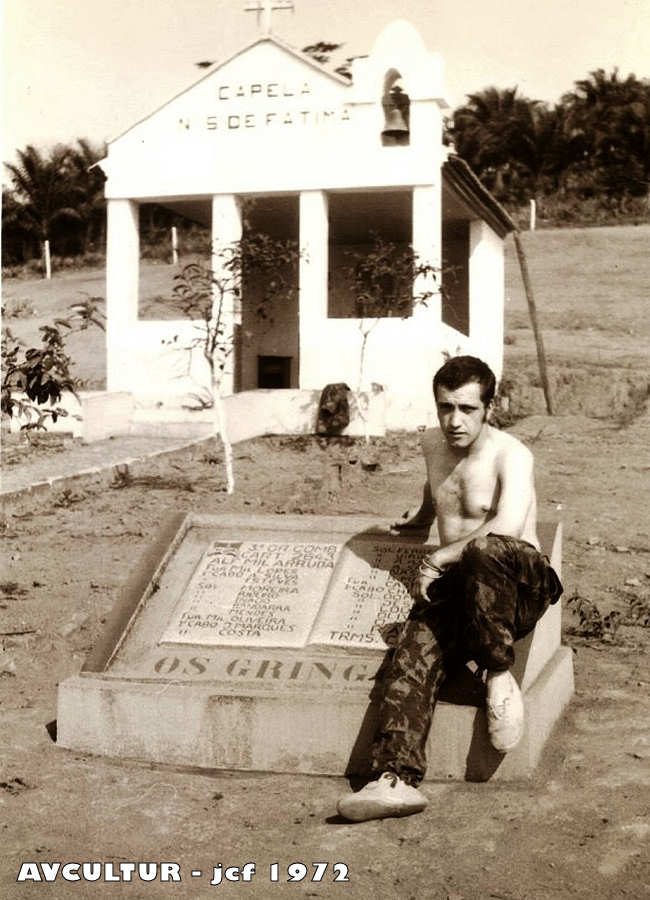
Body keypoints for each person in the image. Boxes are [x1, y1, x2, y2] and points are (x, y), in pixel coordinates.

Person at [337, 355, 563, 822]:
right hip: (463, 587)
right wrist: (421, 517)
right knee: (413, 647)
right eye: (445, 407)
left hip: (520, 582)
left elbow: (507, 526)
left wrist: (438, 556)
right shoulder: (431, 444)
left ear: (490, 408)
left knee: (484, 550)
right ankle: (395, 779)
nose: (454, 421)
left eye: (467, 409)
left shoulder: (512, 454)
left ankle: (498, 673)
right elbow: (439, 486)